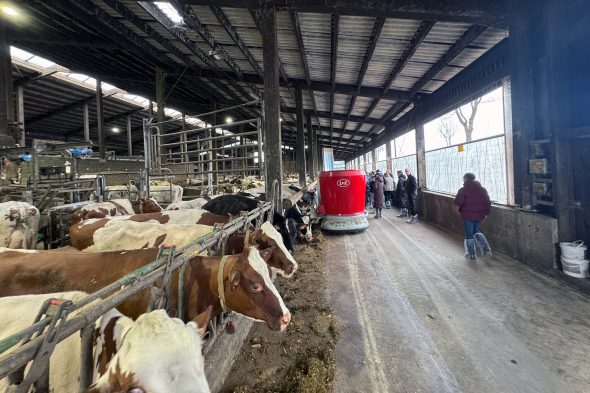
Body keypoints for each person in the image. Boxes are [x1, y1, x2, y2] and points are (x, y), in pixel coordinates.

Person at [454, 172, 492, 260]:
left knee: (469, 234)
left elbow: (458, 202)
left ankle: (471, 254)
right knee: (476, 231)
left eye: (463, 178)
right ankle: (486, 250)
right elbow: (487, 202)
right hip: (479, 214)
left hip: (468, 215)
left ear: (466, 179)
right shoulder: (482, 189)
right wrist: (486, 213)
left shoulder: (463, 190)